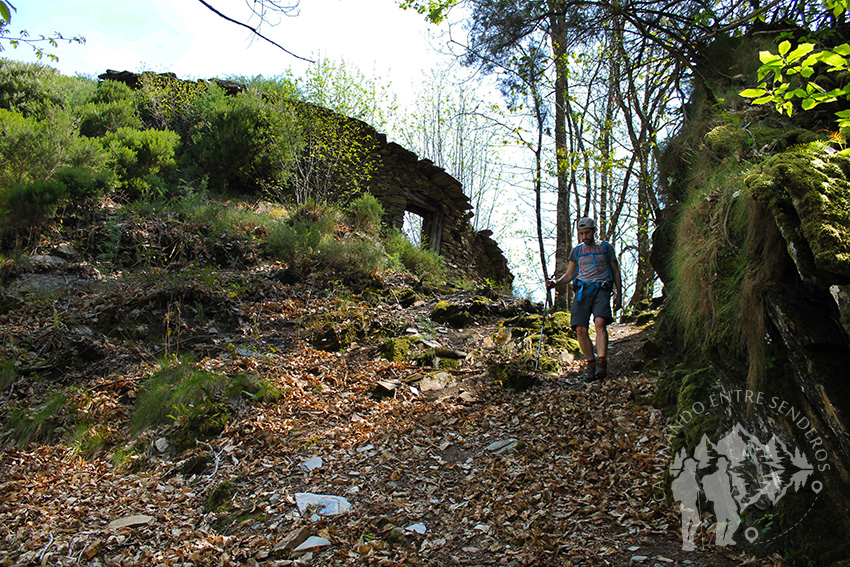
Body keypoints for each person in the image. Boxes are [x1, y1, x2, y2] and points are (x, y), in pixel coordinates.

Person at [546, 217, 622, 381]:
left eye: (587, 232)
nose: (584, 236)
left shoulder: (606, 248)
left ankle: (602, 362)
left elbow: (615, 271)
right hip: (582, 291)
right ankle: (591, 364)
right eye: (581, 233)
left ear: (594, 231)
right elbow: (570, 274)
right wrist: (556, 283)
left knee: (600, 322)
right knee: (580, 328)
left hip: (601, 289)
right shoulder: (577, 251)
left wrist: (619, 295)